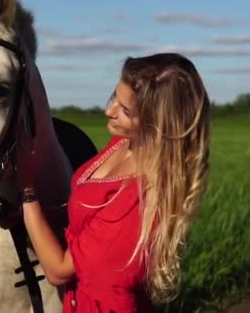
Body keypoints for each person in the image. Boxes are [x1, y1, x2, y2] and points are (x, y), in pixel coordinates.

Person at [16, 53, 211, 312]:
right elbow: (86, 218)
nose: (109, 111)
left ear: (158, 126)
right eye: (114, 98)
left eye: (126, 111)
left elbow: (59, 271)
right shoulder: (125, 143)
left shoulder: (138, 200)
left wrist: (27, 192)